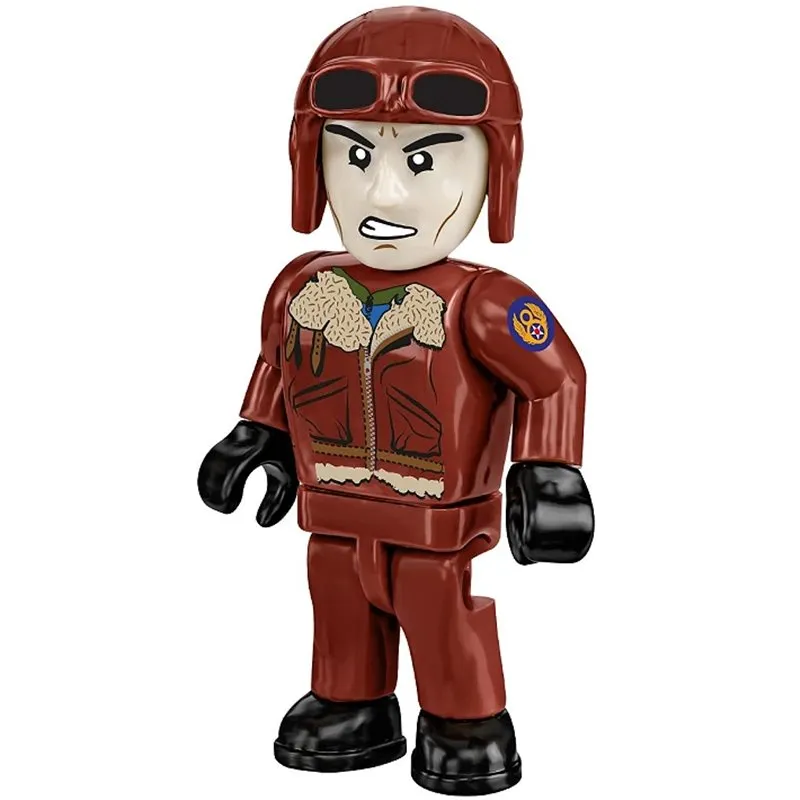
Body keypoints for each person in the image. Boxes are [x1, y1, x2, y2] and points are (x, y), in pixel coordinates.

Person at [198, 6, 594, 795]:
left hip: (434, 519)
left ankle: (464, 718)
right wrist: (256, 432)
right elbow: (280, 360)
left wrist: (550, 470)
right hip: (334, 501)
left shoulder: (487, 304)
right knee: (337, 596)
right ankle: (352, 701)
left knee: (436, 607)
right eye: (354, 154)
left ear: (495, 169)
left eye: (422, 161)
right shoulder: (302, 286)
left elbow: (556, 376)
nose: (382, 192)